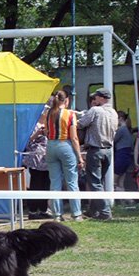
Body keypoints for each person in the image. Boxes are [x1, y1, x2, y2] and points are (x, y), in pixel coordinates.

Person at [77, 88, 118, 221]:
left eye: (96, 97)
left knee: (94, 183)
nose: (94, 100)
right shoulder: (114, 112)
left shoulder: (95, 110)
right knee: (99, 182)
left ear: (101, 98)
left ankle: (105, 212)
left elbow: (80, 124)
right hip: (108, 151)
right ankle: (93, 211)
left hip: (95, 150)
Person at [45, 90, 84, 222]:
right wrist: (79, 157)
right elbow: (74, 137)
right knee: (72, 181)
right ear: (66, 100)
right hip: (65, 145)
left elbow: (46, 131)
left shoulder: (49, 113)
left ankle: (57, 214)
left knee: (55, 182)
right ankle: (76, 214)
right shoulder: (70, 114)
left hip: (50, 146)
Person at [23, 112, 51, 220]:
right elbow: (26, 141)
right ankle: (33, 210)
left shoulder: (50, 123)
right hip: (36, 159)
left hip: (48, 157)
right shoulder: (32, 125)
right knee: (36, 184)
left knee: (46, 185)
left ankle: (44, 210)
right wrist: (38, 133)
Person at [113, 111, 133, 195]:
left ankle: (129, 199)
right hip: (127, 157)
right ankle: (125, 202)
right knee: (121, 183)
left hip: (121, 156)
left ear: (120, 119)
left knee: (113, 182)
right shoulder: (128, 130)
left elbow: (113, 140)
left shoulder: (121, 130)